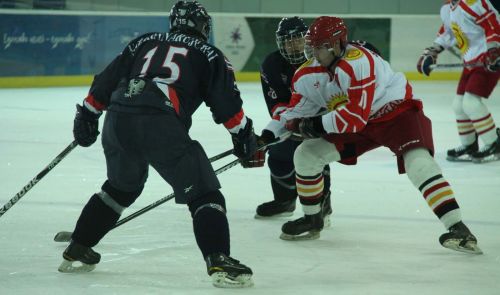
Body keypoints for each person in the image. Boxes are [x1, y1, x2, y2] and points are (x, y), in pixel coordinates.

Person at [58, 1, 256, 288]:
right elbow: (226, 105)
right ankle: (219, 260)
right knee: (204, 193)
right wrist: (243, 134)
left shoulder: (145, 41)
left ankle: (79, 246)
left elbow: (108, 78)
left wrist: (88, 113)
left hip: (118, 119)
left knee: (120, 187)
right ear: (203, 27)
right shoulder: (210, 54)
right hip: (159, 123)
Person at [254, 16, 482, 254]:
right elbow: (294, 112)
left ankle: (458, 227)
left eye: (319, 47)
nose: (312, 53)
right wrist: (267, 136)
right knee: (306, 154)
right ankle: (313, 219)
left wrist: (315, 124)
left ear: (337, 44)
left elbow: (354, 118)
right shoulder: (306, 74)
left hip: (395, 114)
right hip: (358, 123)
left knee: (419, 163)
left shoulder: (359, 61)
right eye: (311, 46)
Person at [252, 16, 332, 221]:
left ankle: (322, 203)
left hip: (319, 121)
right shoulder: (271, 64)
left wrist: (314, 124)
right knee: (277, 154)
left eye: (296, 39)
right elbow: (276, 103)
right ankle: (284, 201)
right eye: (287, 40)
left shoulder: (321, 59)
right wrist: (278, 129)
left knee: (315, 156)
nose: (292, 44)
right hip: (289, 118)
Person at [417, 0, 500, 163]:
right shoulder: (448, 8)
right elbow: (447, 33)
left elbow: (494, 25)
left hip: (486, 60)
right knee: (458, 105)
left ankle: (494, 144)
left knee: (471, 103)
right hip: (470, 62)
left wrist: (493, 50)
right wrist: (432, 51)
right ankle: (469, 144)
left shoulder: (476, 3)